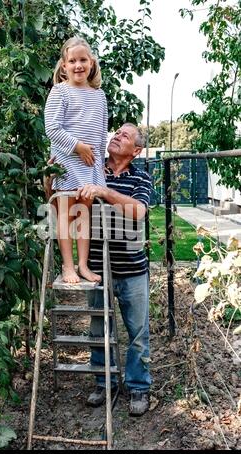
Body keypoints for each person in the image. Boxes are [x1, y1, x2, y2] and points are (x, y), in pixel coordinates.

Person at [76, 123, 152, 416]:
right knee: (99, 331)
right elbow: (62, 202)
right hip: (97, 270)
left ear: (137, 150)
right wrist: (51, 177)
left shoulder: (140, 178)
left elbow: (138, 211)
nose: (116, 136)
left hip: (132, 272)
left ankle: (138, 388)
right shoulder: (92, 169)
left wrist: (104, 192)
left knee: (138, 334)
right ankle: (103, 383)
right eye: (116, 132)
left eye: (125, 135)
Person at [44, 36, 108, 284]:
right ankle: (67, 266)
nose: (78, 65)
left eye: (83, 60)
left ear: (91, 63)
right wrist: (77, 146)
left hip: (90, 165)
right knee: (66, 216)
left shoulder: (99, 96)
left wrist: (99, 171)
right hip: (67, 162)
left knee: (83, 215)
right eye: (73, 61)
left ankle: (83, 265)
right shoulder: (60, 92)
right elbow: (52, 128)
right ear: (64, 65)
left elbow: (102, 135)